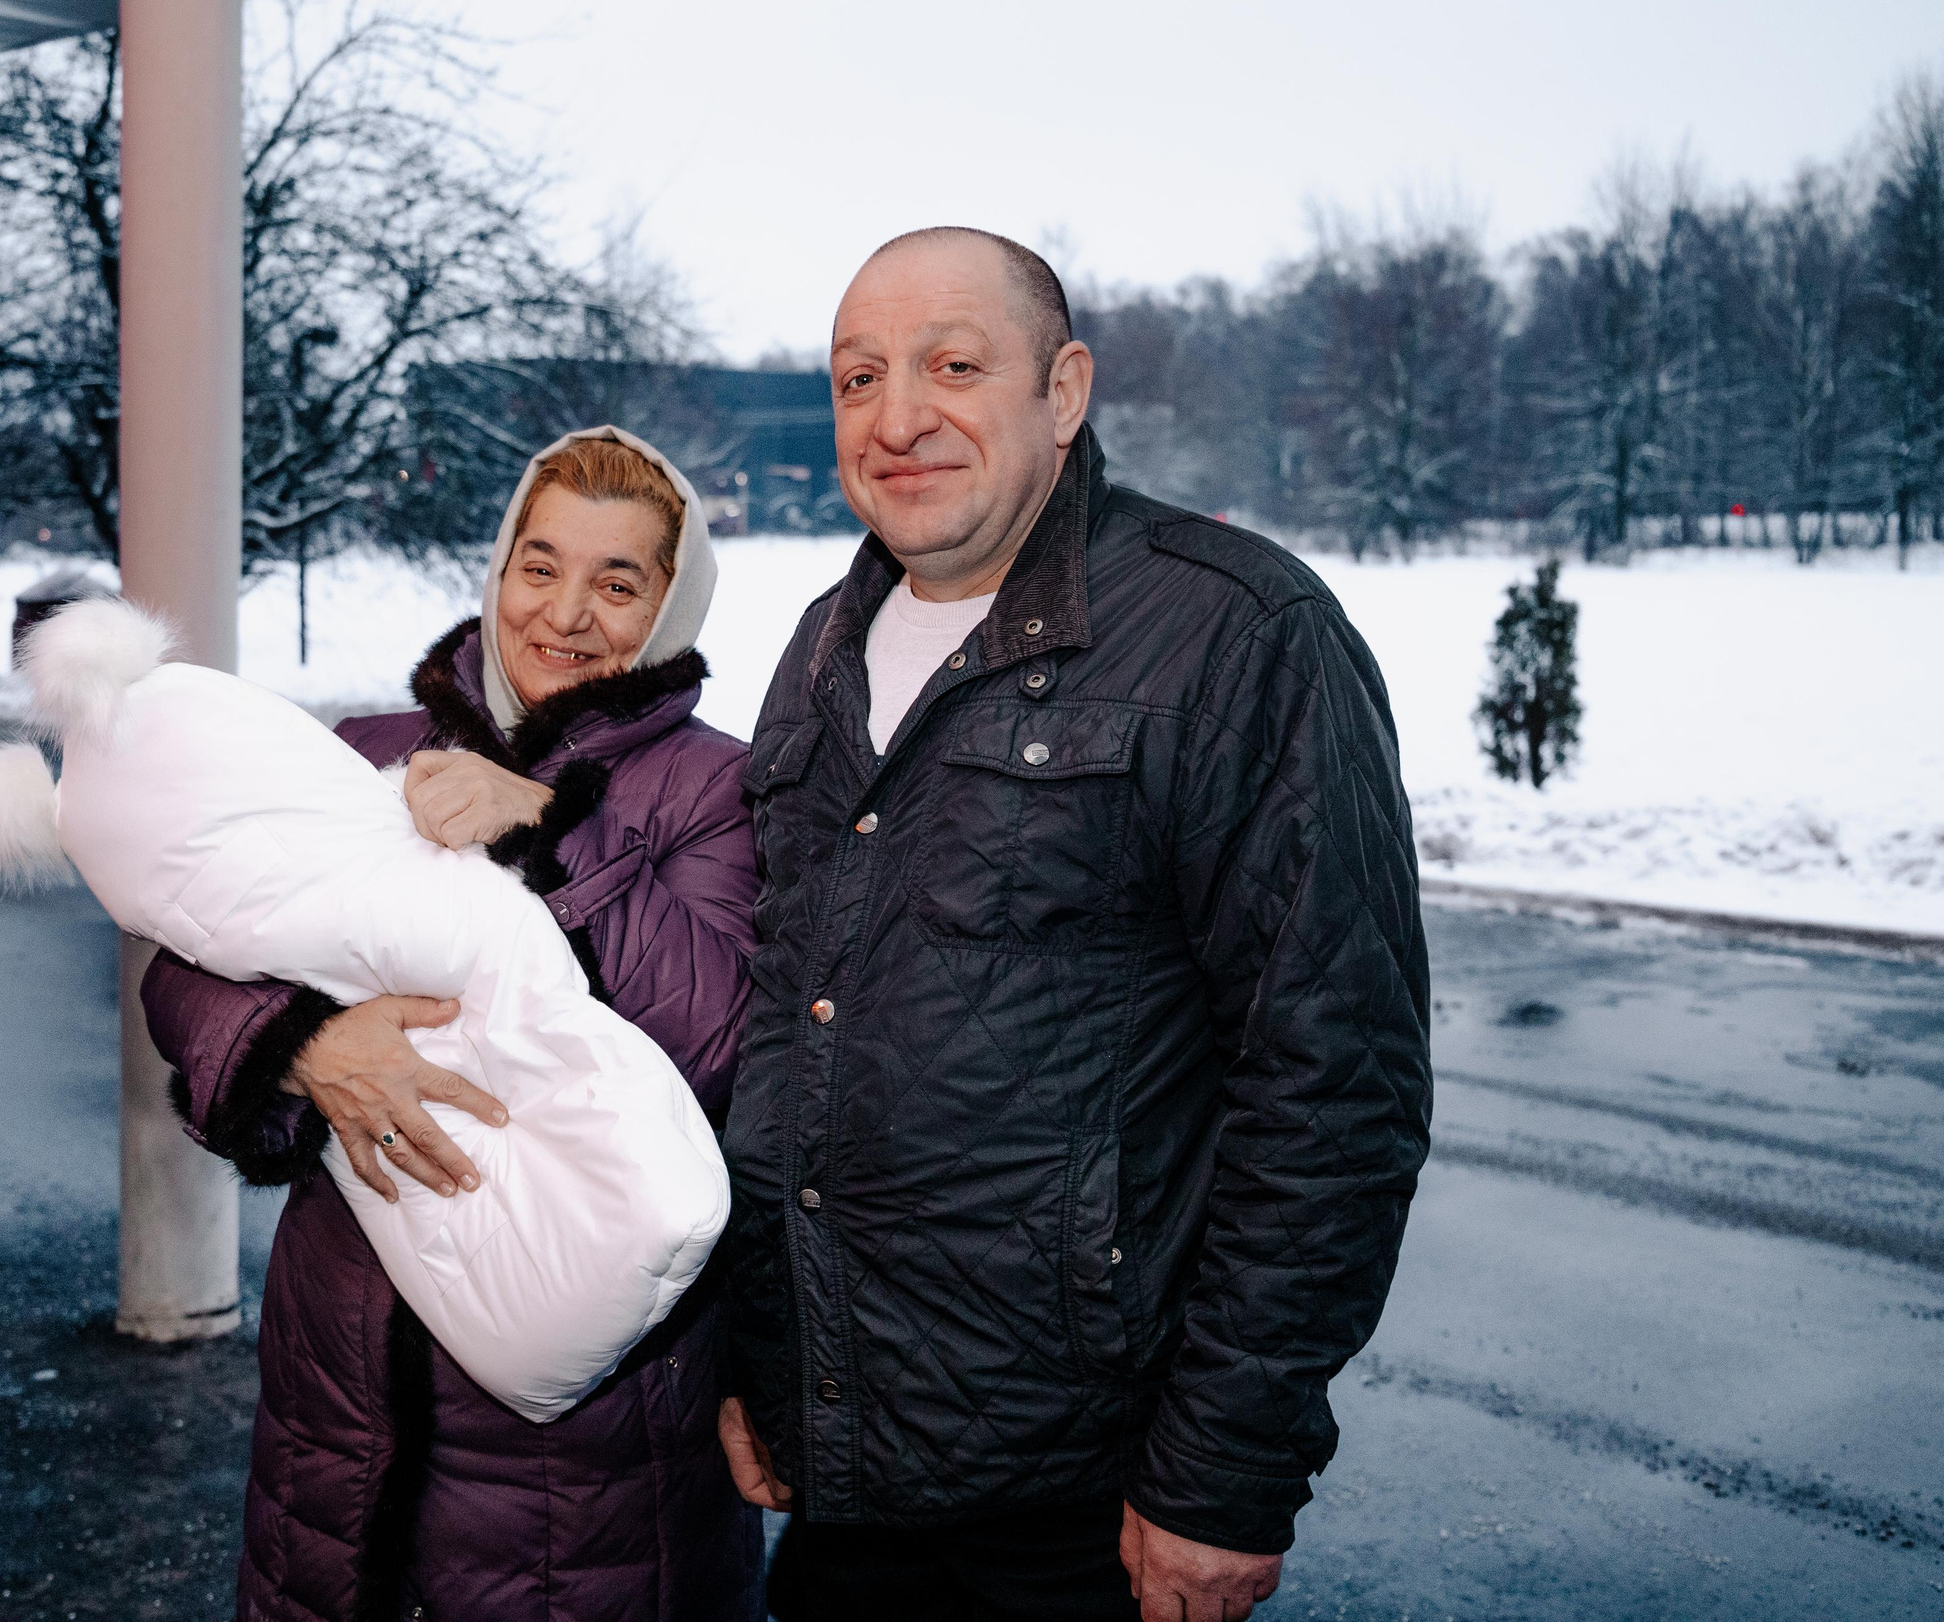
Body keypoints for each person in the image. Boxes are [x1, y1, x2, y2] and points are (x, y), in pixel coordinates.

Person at [717, 229, 1432, 1622]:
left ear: (1066, 389)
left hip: (1087, 1508)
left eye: (953, 365)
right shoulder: (820, 644)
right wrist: (759, 1357)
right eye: (858, 377)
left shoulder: (1236, 632)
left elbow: (1334, 1082)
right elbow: (779, 1017)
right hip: (844, 1475)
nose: (897, 415)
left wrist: (1224, 1467)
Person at [140, 428, 764, 1622]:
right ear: (497, 572)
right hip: (340, 1377)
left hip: (594, 1424)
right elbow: (190, 960)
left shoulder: (720, 790)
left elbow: (722, 1038)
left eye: (617, 581)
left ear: (672, 605)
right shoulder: (364, 754)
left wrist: (546, 833)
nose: (565, 614)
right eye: (540, 566)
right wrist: (304, 1046)